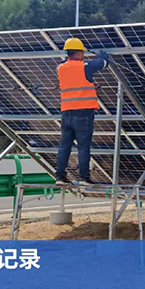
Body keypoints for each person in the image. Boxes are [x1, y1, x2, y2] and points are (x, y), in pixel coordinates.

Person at [54, 38, 109, 185]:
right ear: (78, 53)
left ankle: (60, 177)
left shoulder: (60, 68)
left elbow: (66, 64)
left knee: (64, 146)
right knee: (83, 147)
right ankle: (84, 177)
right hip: (83, 114)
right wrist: (102, 55)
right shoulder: (85, 67)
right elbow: (103, 63)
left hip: (66, 113)